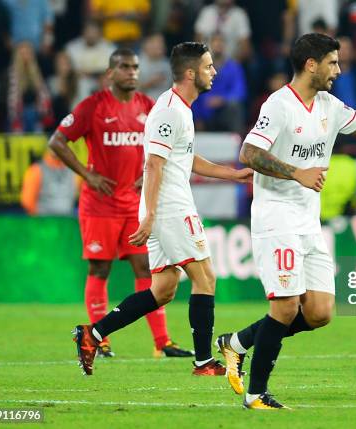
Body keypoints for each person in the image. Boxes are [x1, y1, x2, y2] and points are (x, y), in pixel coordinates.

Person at [215, 32, 356, 410]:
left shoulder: (329, 105)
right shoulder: (279, 105)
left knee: (318, 313)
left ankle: (235, 343)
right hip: (276, 218)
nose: (339, 69)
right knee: (284, 308)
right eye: (333, 62)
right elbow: (249, 152)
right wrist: (294, 173)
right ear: (311, 64)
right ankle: (255, 395)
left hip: (308, 221)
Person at [72, 42, 253, 377]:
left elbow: (184, 157)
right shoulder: (169, 110)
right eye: (208, 66)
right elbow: (153, 165)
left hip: (165, 205)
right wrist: (151, 215)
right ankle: (203, 363)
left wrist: (231, 173)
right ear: (190, 73)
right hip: (169, 207)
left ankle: (92, 334)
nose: (214, 72)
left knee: (163, 289)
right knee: (205, 277)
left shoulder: (180, 108)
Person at [50, 48, 193, 359]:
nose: (132, 72)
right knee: (100, 267)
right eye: (125, 67)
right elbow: (56, 141)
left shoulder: (148, 107)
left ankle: (162, 342)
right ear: (110, 73)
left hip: (134, 204)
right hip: (99, 204)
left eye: (135, 67)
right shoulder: (92, 107)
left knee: (146, 267)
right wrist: (87, 176)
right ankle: (100, 339)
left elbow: (161, 147)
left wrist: (148, 172)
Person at [20, 149, 78, 216]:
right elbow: (27, 202)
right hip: (44, 221)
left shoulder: (72, 170)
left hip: (66, 221)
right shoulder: (36, 170)